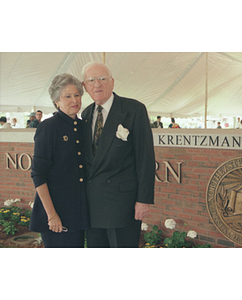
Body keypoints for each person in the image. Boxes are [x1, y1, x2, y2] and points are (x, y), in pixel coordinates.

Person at [81, 61, 155, 248]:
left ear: (112, 82)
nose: (97, 84)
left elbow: (145, 158)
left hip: (123, 205)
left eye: (102, 79)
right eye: (91, 80)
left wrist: (143, 199)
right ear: (85, 86)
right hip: (93, 204)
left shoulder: (134, 109)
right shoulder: (86, 114)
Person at [29, 73, 89, 248]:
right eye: (67, 96)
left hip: (78, 210)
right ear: (57, 101)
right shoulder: (48, 127)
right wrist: (51, 214)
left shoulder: (83, 126)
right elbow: (38, 175)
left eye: (77, 95)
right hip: (55, 212)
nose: (74, 100)